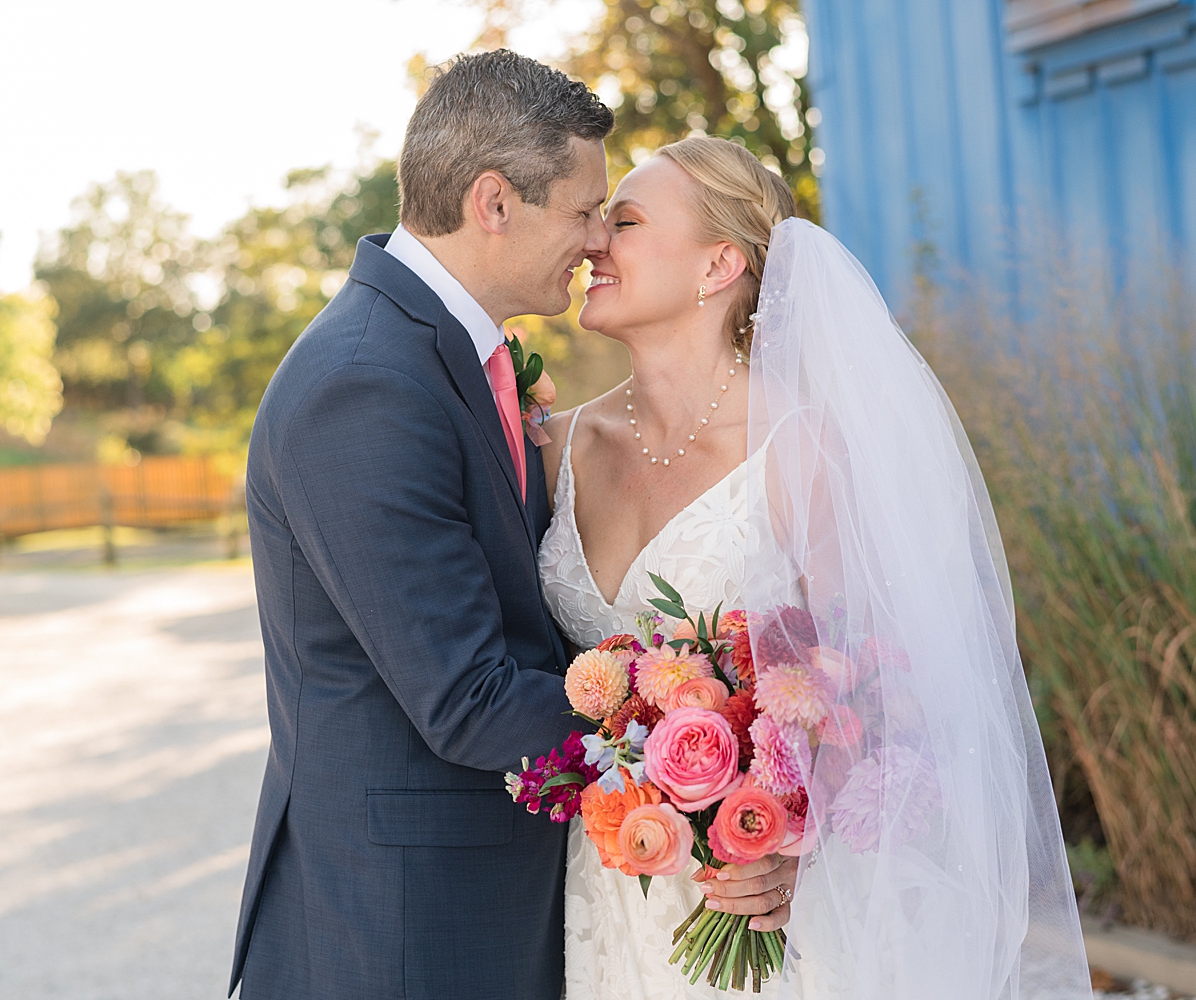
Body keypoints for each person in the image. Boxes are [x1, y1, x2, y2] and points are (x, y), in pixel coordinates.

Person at [229, 53, 782, 1000]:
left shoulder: (465, 373)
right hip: (405, 924)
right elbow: (467, 698)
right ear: (494, 203)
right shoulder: (367, 384)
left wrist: (762, 792)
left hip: (557, 887)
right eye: (583, 209)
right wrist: (702, 744)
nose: (596, 237)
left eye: (618, 215)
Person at [540, 137, 1094, 999]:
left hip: (757, 914)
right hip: (601, 888)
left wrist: (800, 853)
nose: (593, 245)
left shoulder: (803, 453)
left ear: (719, 262)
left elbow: (895, 709)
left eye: (627, 221)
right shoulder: (556, 446)